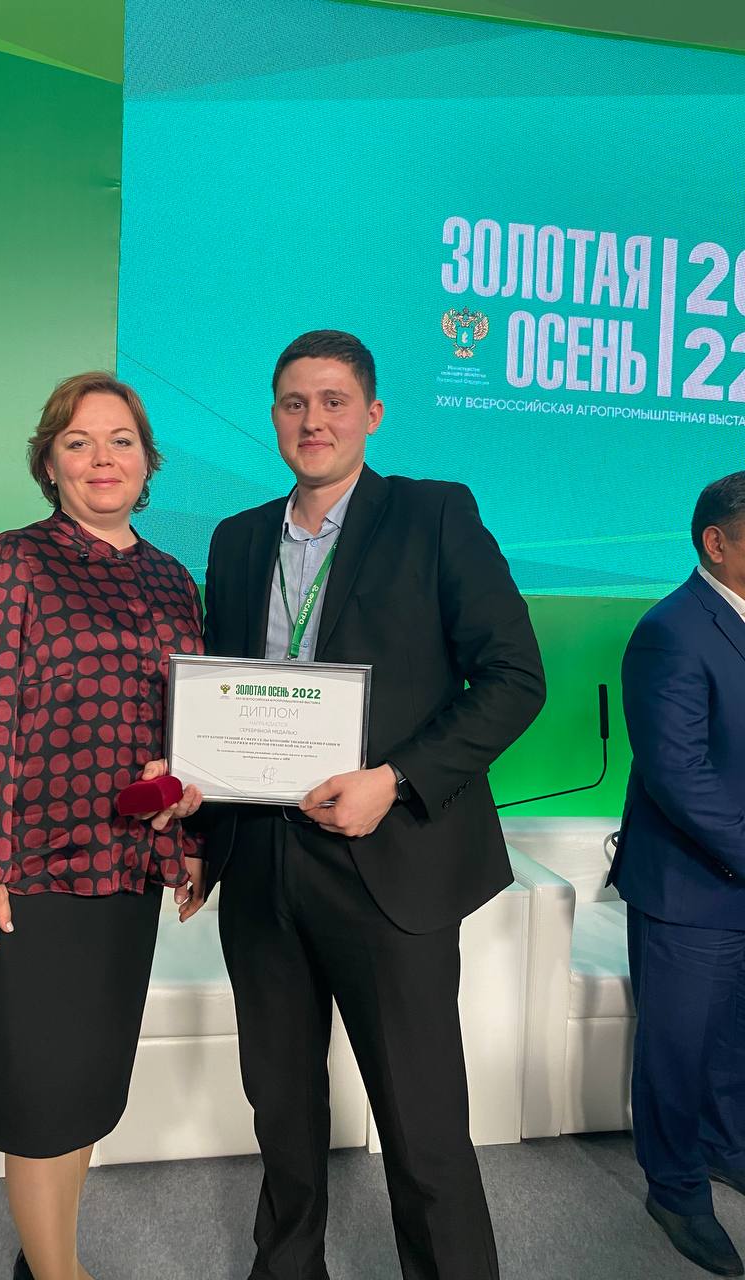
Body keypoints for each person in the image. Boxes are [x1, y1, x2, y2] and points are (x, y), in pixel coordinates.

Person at [195, 330, 546, 1280]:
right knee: (281, 1113)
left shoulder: (434, 515)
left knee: (422, 1127)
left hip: (391, 863)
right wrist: (200, 830)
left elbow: (514, 679)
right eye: (294, 403)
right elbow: (223, 702)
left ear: (372, 414)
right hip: (262, 863)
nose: (313, 420)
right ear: (274, 417)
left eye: (334, 401)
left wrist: (393, 780)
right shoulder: (236, 540)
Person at [0, 372, 206, 1280]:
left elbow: (190, 731)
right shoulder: (8, 564)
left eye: (121, 441)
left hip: (128, 873)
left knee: (83, 1092)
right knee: (39, 1101)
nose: (101, 458)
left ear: (148, 462)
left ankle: (45, 1263)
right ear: (49, 464)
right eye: (79, 442)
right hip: (31, 877)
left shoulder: (173, 580)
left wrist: (189, 834)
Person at [609, 471, 745, 1277]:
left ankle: (727, 1149)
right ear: (716, 542)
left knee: (733, 1040)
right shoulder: (672, 630)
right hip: (689, 885)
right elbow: (677, 774)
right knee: (677, 1047)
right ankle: (676, 1190)